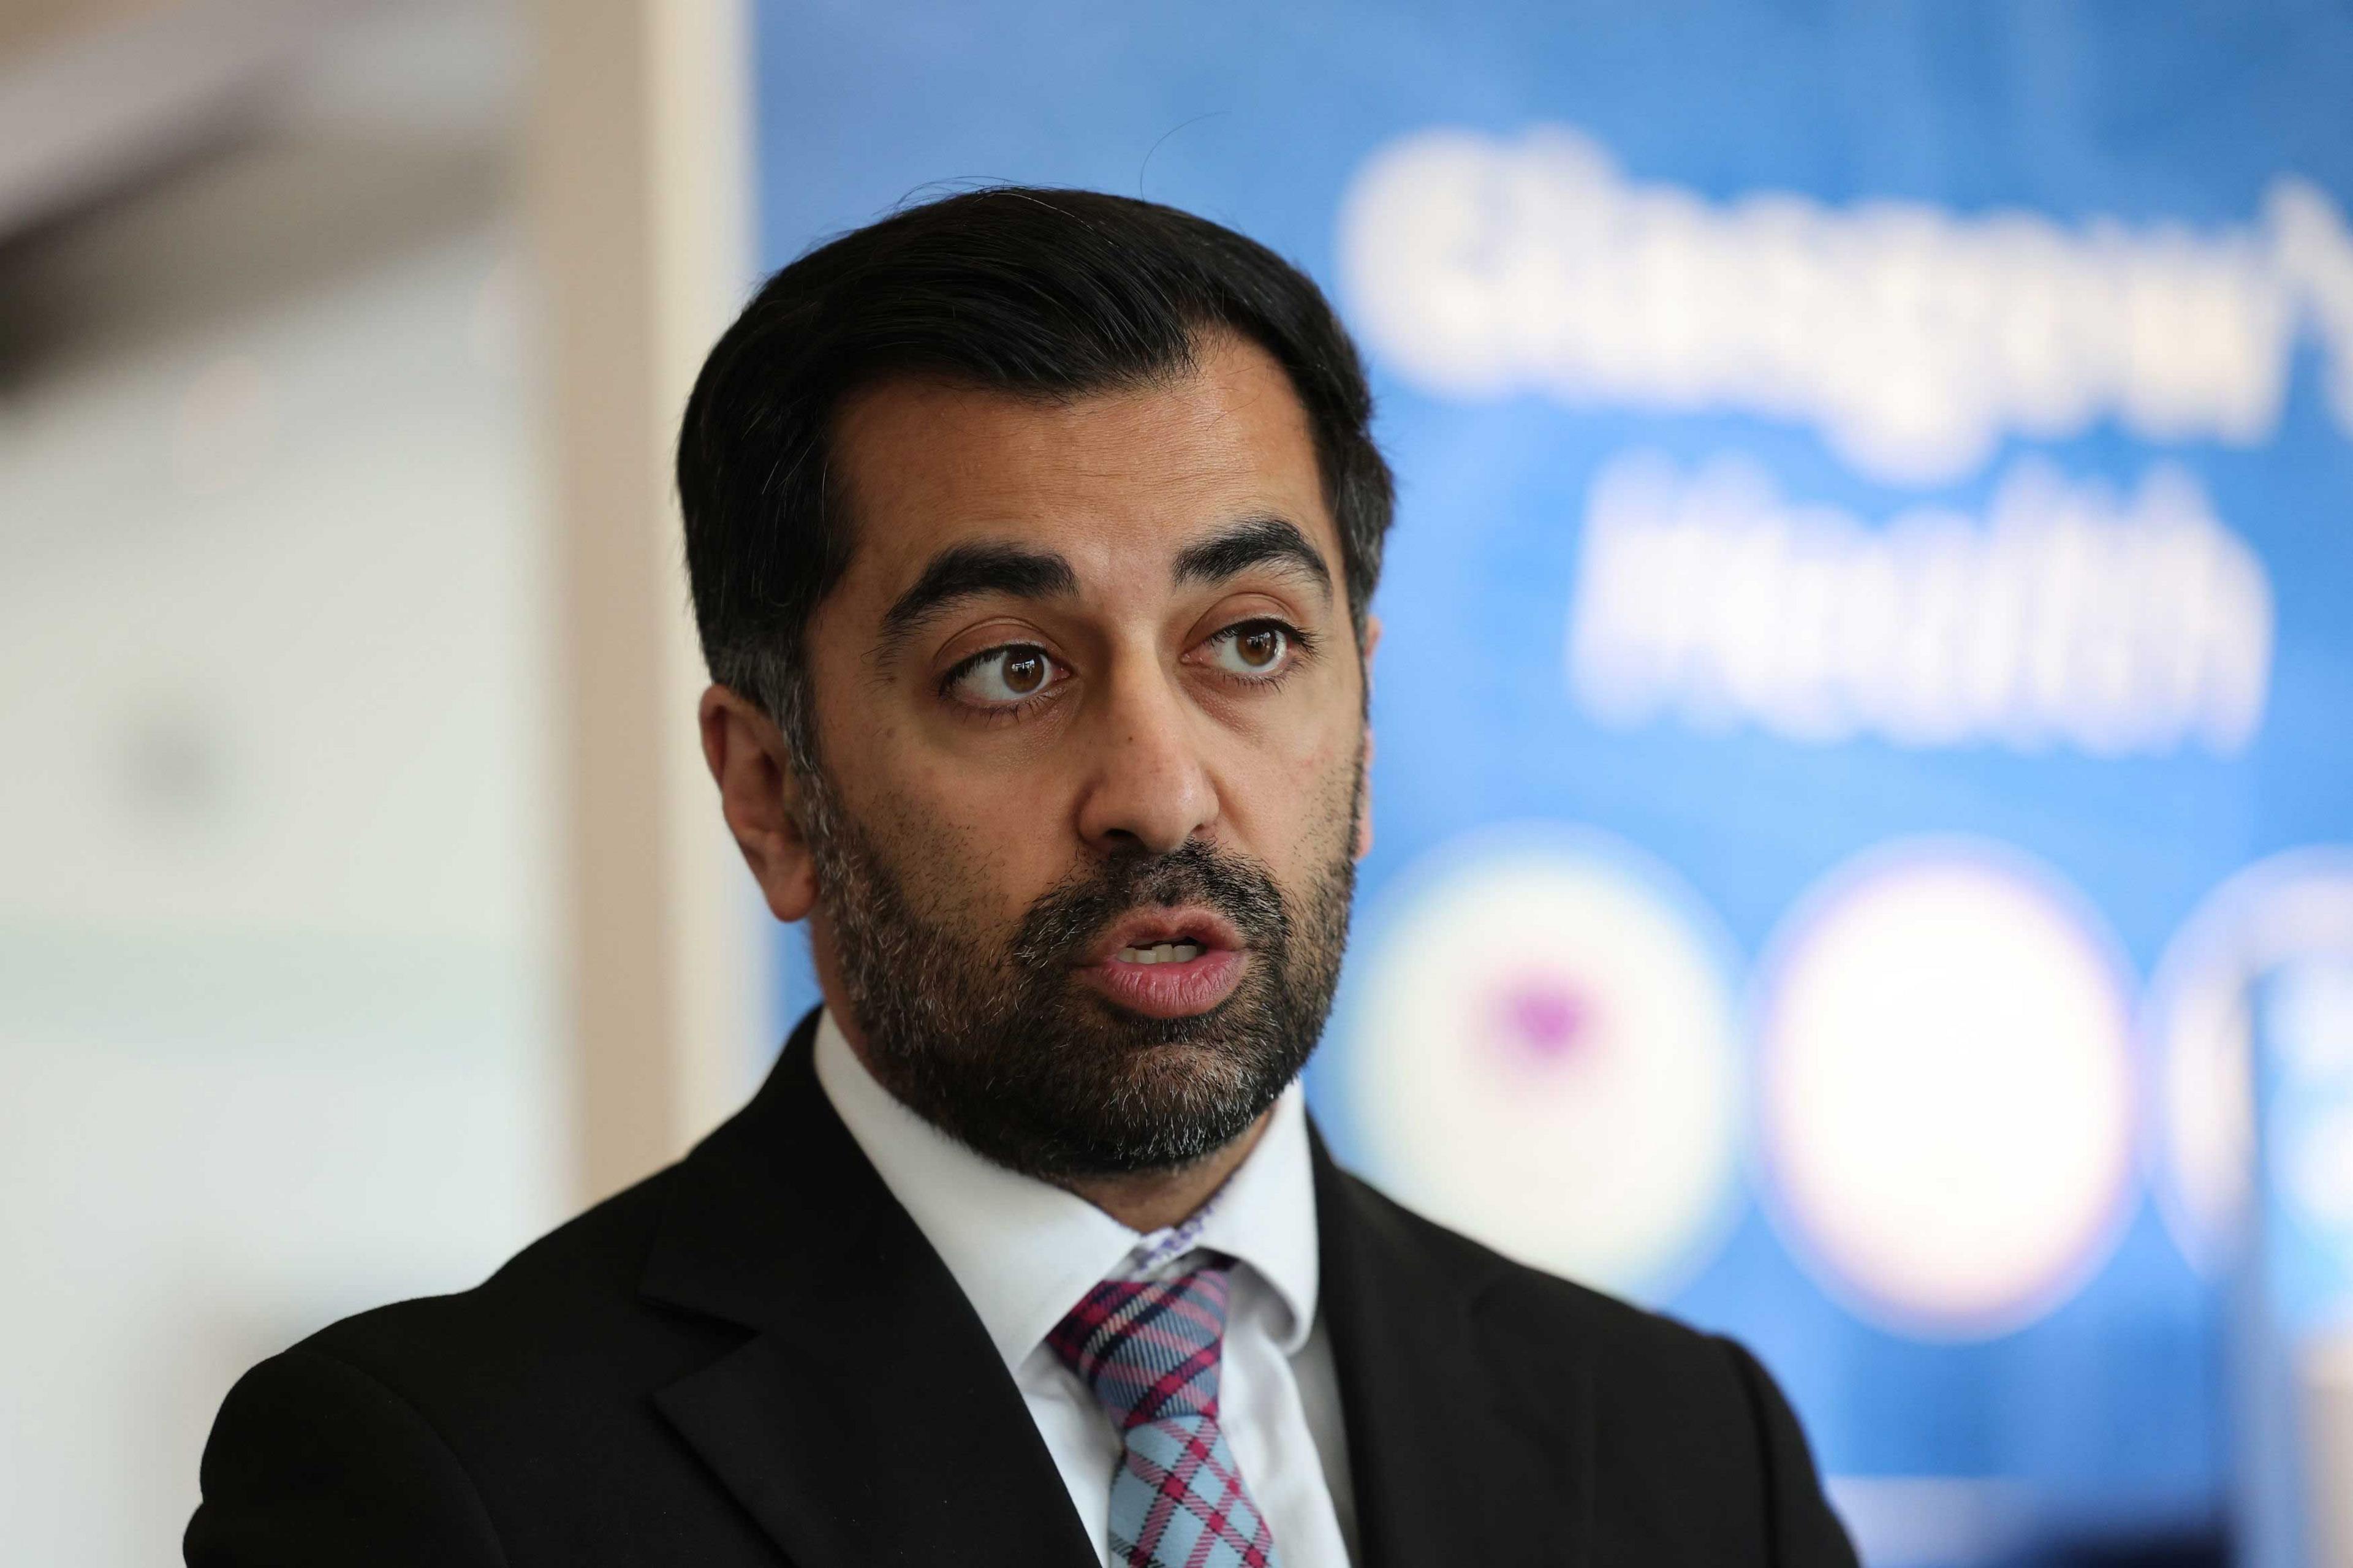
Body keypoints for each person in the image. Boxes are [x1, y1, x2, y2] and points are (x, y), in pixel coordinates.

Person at [186, 187, 1858, 1568]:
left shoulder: (1691, 1459)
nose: (1157, 791)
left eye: (1253, 642)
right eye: (1008, 669)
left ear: (1364, 721)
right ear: (771, 791)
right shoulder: (442, 1488)